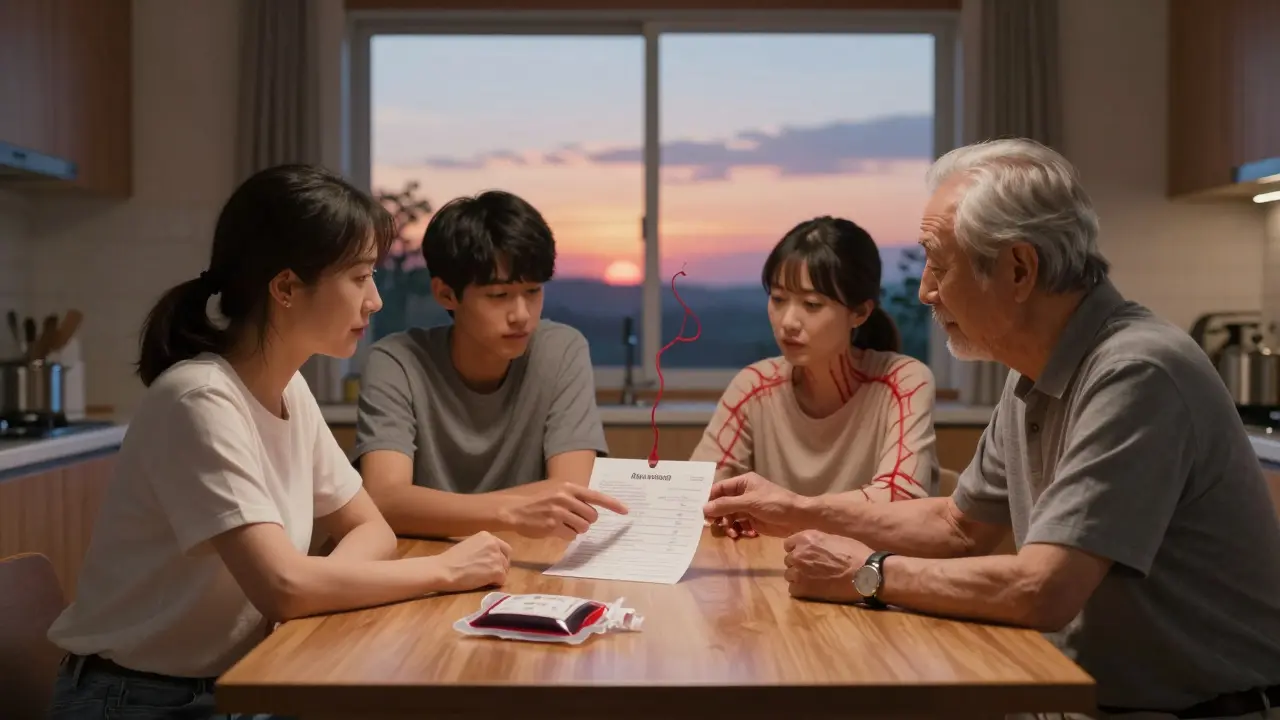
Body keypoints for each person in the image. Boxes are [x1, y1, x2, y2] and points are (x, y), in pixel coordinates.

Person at [701, 138, 1280, 718]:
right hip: (1065, 693)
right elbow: (957, 524)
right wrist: (797, 509)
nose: (925, 289)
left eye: (938, 263)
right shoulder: (1036, 368)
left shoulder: (1136, 370)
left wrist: (865, 573)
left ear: (1019, 269)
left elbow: (1042, 589)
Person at [45, 165, 512, 720]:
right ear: (286, 287)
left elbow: (370, 529)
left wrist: (317, 583)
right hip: (137, 700)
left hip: (241, 679)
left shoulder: (289, 386)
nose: (375, 302)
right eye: (360, 277)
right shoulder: (199, 399)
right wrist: (445, 570)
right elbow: (285, 588)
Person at [355, 189, 626, 542]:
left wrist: (431, 508)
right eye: (499, 296)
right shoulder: (396, 362)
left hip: (531, 560)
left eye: (533, 291)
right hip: (423, 562)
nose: (522, 316)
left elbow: (569, 494)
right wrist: (512, 511)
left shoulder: (561, 349)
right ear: (445, 294)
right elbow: (385, 500)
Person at [690, 216, 938, 539]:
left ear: (860, 313)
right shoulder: (753, 387)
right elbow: (696, 494)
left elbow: (901, 501)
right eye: (778, 299)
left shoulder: (904, 382)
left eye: (811, 304)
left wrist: (788, 510)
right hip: (773, 576)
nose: (788, 321)